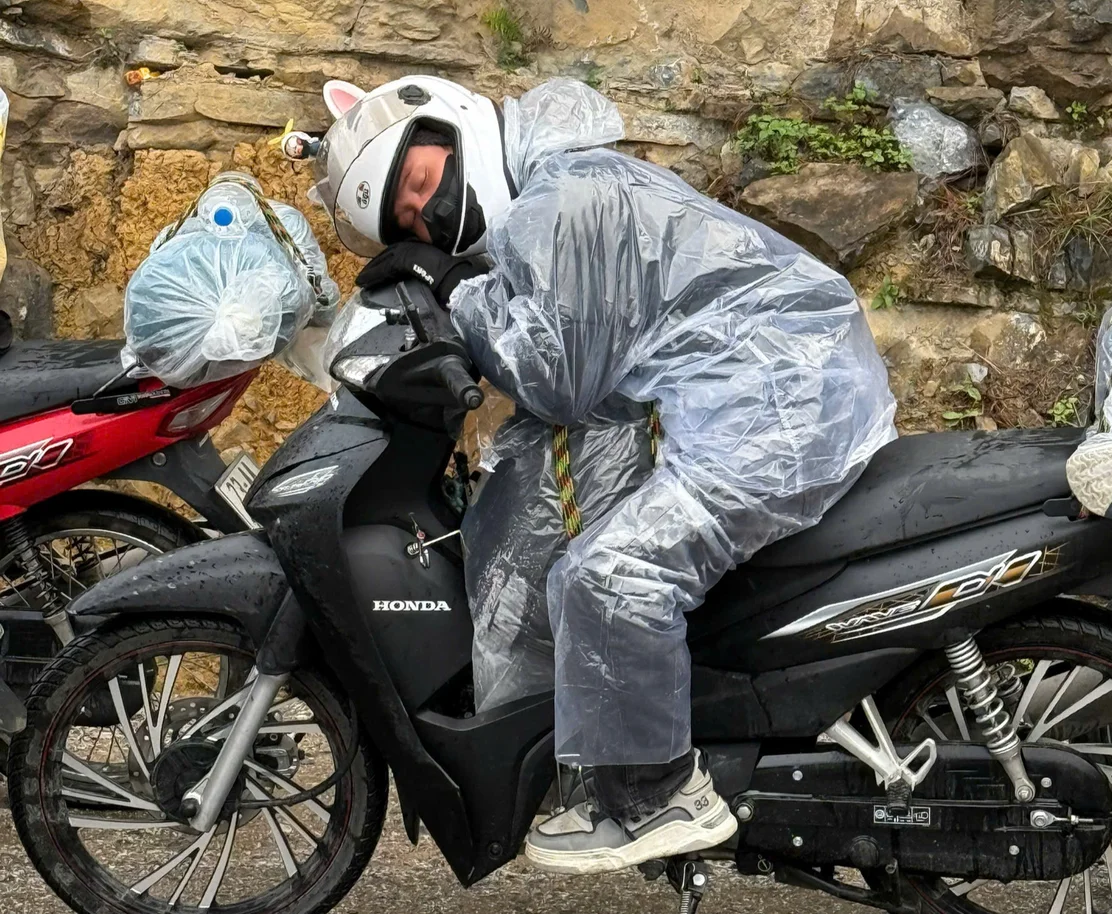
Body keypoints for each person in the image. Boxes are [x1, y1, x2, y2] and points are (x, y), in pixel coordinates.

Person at [297, 75, 897, 875]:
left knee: (610, 576)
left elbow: (556, 377)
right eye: (408, 221)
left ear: (457, 127)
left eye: (420, 185)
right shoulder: (553, 196)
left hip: (774, 404)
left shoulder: (566, 199)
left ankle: (662, 793)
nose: (428, 215)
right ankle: (587, 755)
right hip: (741, 390)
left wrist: (451, 288)